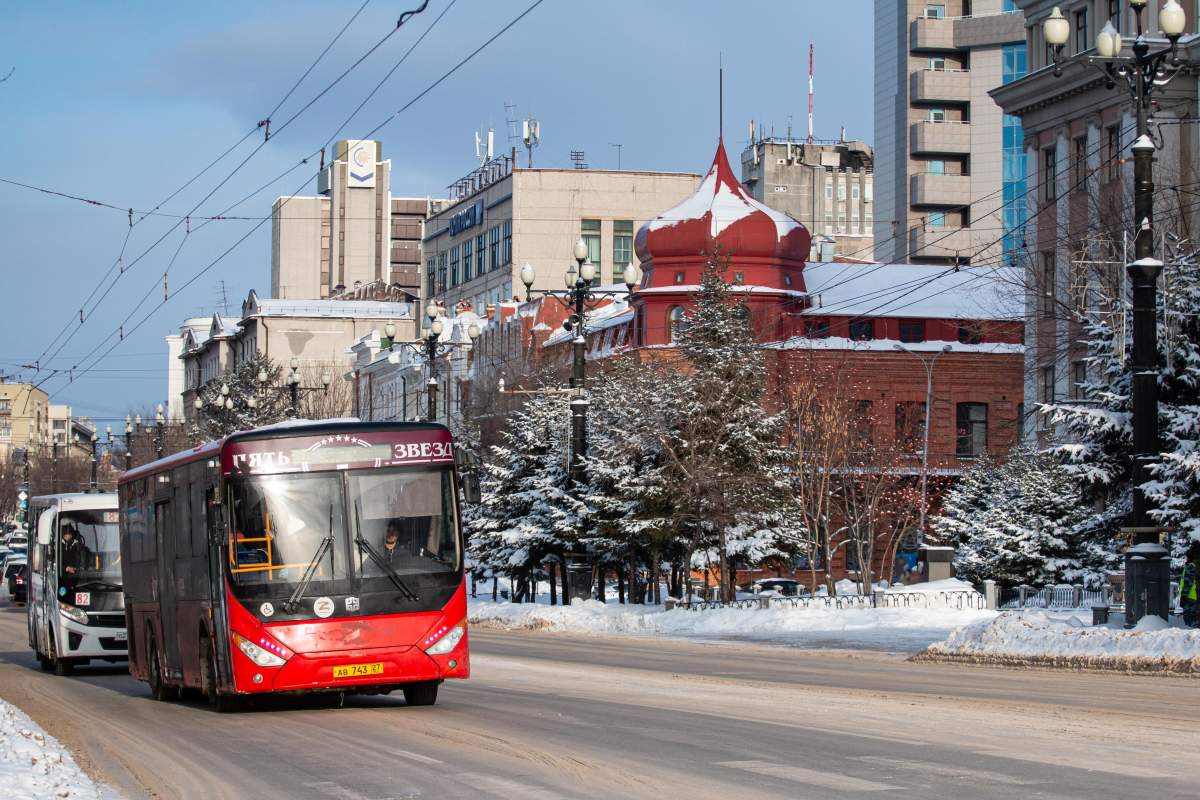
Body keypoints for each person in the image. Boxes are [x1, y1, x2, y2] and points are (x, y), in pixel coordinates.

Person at [1181, 541, 1200, 628]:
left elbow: (1188, 582)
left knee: (1191, 622)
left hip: (1191, 598)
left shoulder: (1191, 566)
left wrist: (1184, 596)